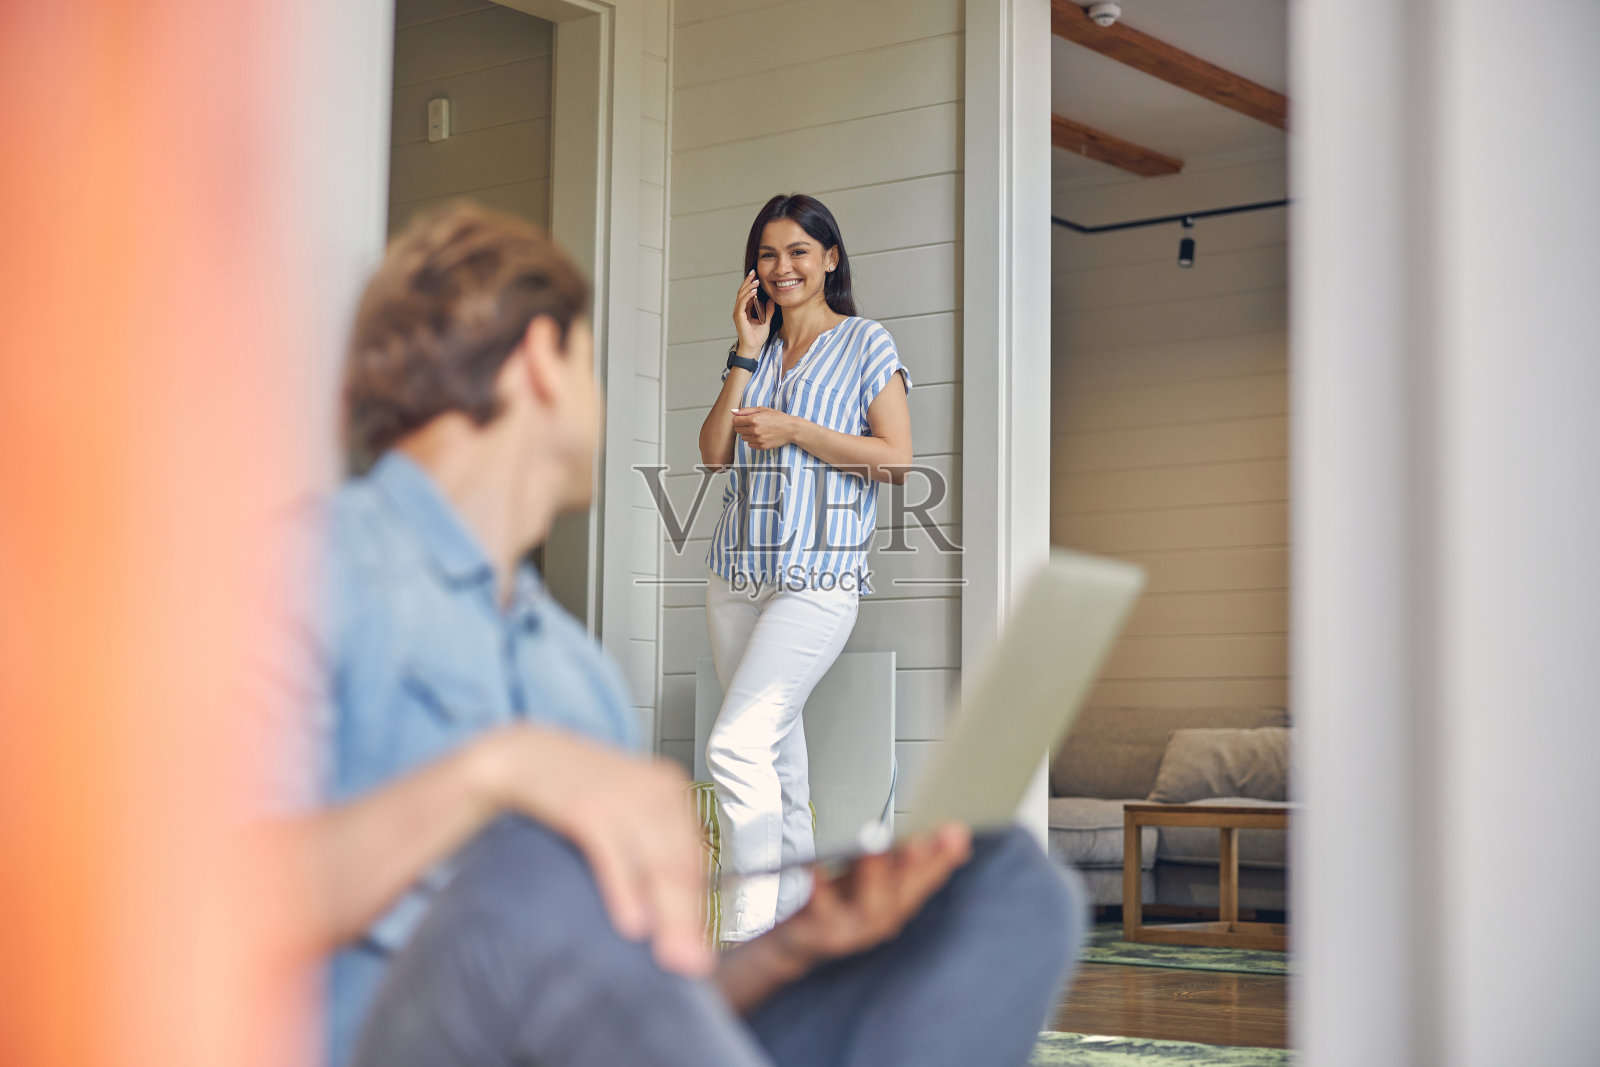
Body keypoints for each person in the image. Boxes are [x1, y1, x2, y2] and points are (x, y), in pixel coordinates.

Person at [255, 202, 1083, 1067]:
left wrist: (790, 947)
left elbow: (620, 992)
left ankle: (778, 933)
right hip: (398, 1036)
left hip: (603, 1028)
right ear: (542, 363)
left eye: (797, 252)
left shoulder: (575, 675)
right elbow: (189, 898)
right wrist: (497, 773)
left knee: (1008, 882)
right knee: (534, 868)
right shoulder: (303, 573)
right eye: (589, 359)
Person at [697, 194, 912, 942]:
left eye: (797, 251)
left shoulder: (865, 344)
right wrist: (744, 352)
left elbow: (896, 460)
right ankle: (794, 948)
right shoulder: (755, 350)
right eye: (766, 254)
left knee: (735, 744)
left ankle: (745, 941)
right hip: (736, 579)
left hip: (817, 583)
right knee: (777, 767)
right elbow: (713, 452)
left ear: (830, 258)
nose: (780, 267)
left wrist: (798, 430)